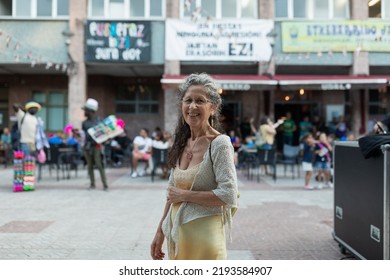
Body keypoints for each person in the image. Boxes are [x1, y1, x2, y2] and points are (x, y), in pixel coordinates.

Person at [150, 73, 238, 260]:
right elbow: (171, 194)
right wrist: (160, 232)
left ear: (212, 107)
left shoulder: (219, 143)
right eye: (188, 100)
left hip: (205, 240)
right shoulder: (182, 142)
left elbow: (228, 194)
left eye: (200, 101)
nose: (192, 106)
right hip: (179, 238)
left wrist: (185, 195)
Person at [81, 98, 109, 191]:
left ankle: (105, 184)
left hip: (97, 145)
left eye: (86, 110)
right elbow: (84, 136)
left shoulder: (99, 121)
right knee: (90, 166)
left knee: (99, 164)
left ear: (91, 111)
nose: (84, 112)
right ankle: (92, 184)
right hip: (88, 146)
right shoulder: (84, 123)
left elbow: (105, 134)